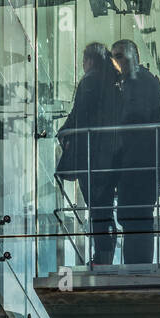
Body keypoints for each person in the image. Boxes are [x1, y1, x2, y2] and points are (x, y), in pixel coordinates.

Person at [56, 43, 119, 265]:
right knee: (104, 208)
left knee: (97, 208)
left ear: (90, 61)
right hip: (109, 157)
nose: (83, 66)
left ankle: (102, 256)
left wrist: (64, 132)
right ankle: (105, 254)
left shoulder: (90, 81)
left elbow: (79, 114)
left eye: (84, 61)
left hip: (91, 156)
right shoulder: (113, 82)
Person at [110, 39, 160, 265]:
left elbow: (134, 117)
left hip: (139, 162)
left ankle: (137, 267)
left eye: (119, 56)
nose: (115, 62)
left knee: (136, 216)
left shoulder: (139, 81)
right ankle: (136, 266)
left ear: (131, 57)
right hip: (139, 161)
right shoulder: (138, 81)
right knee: (134, 216)